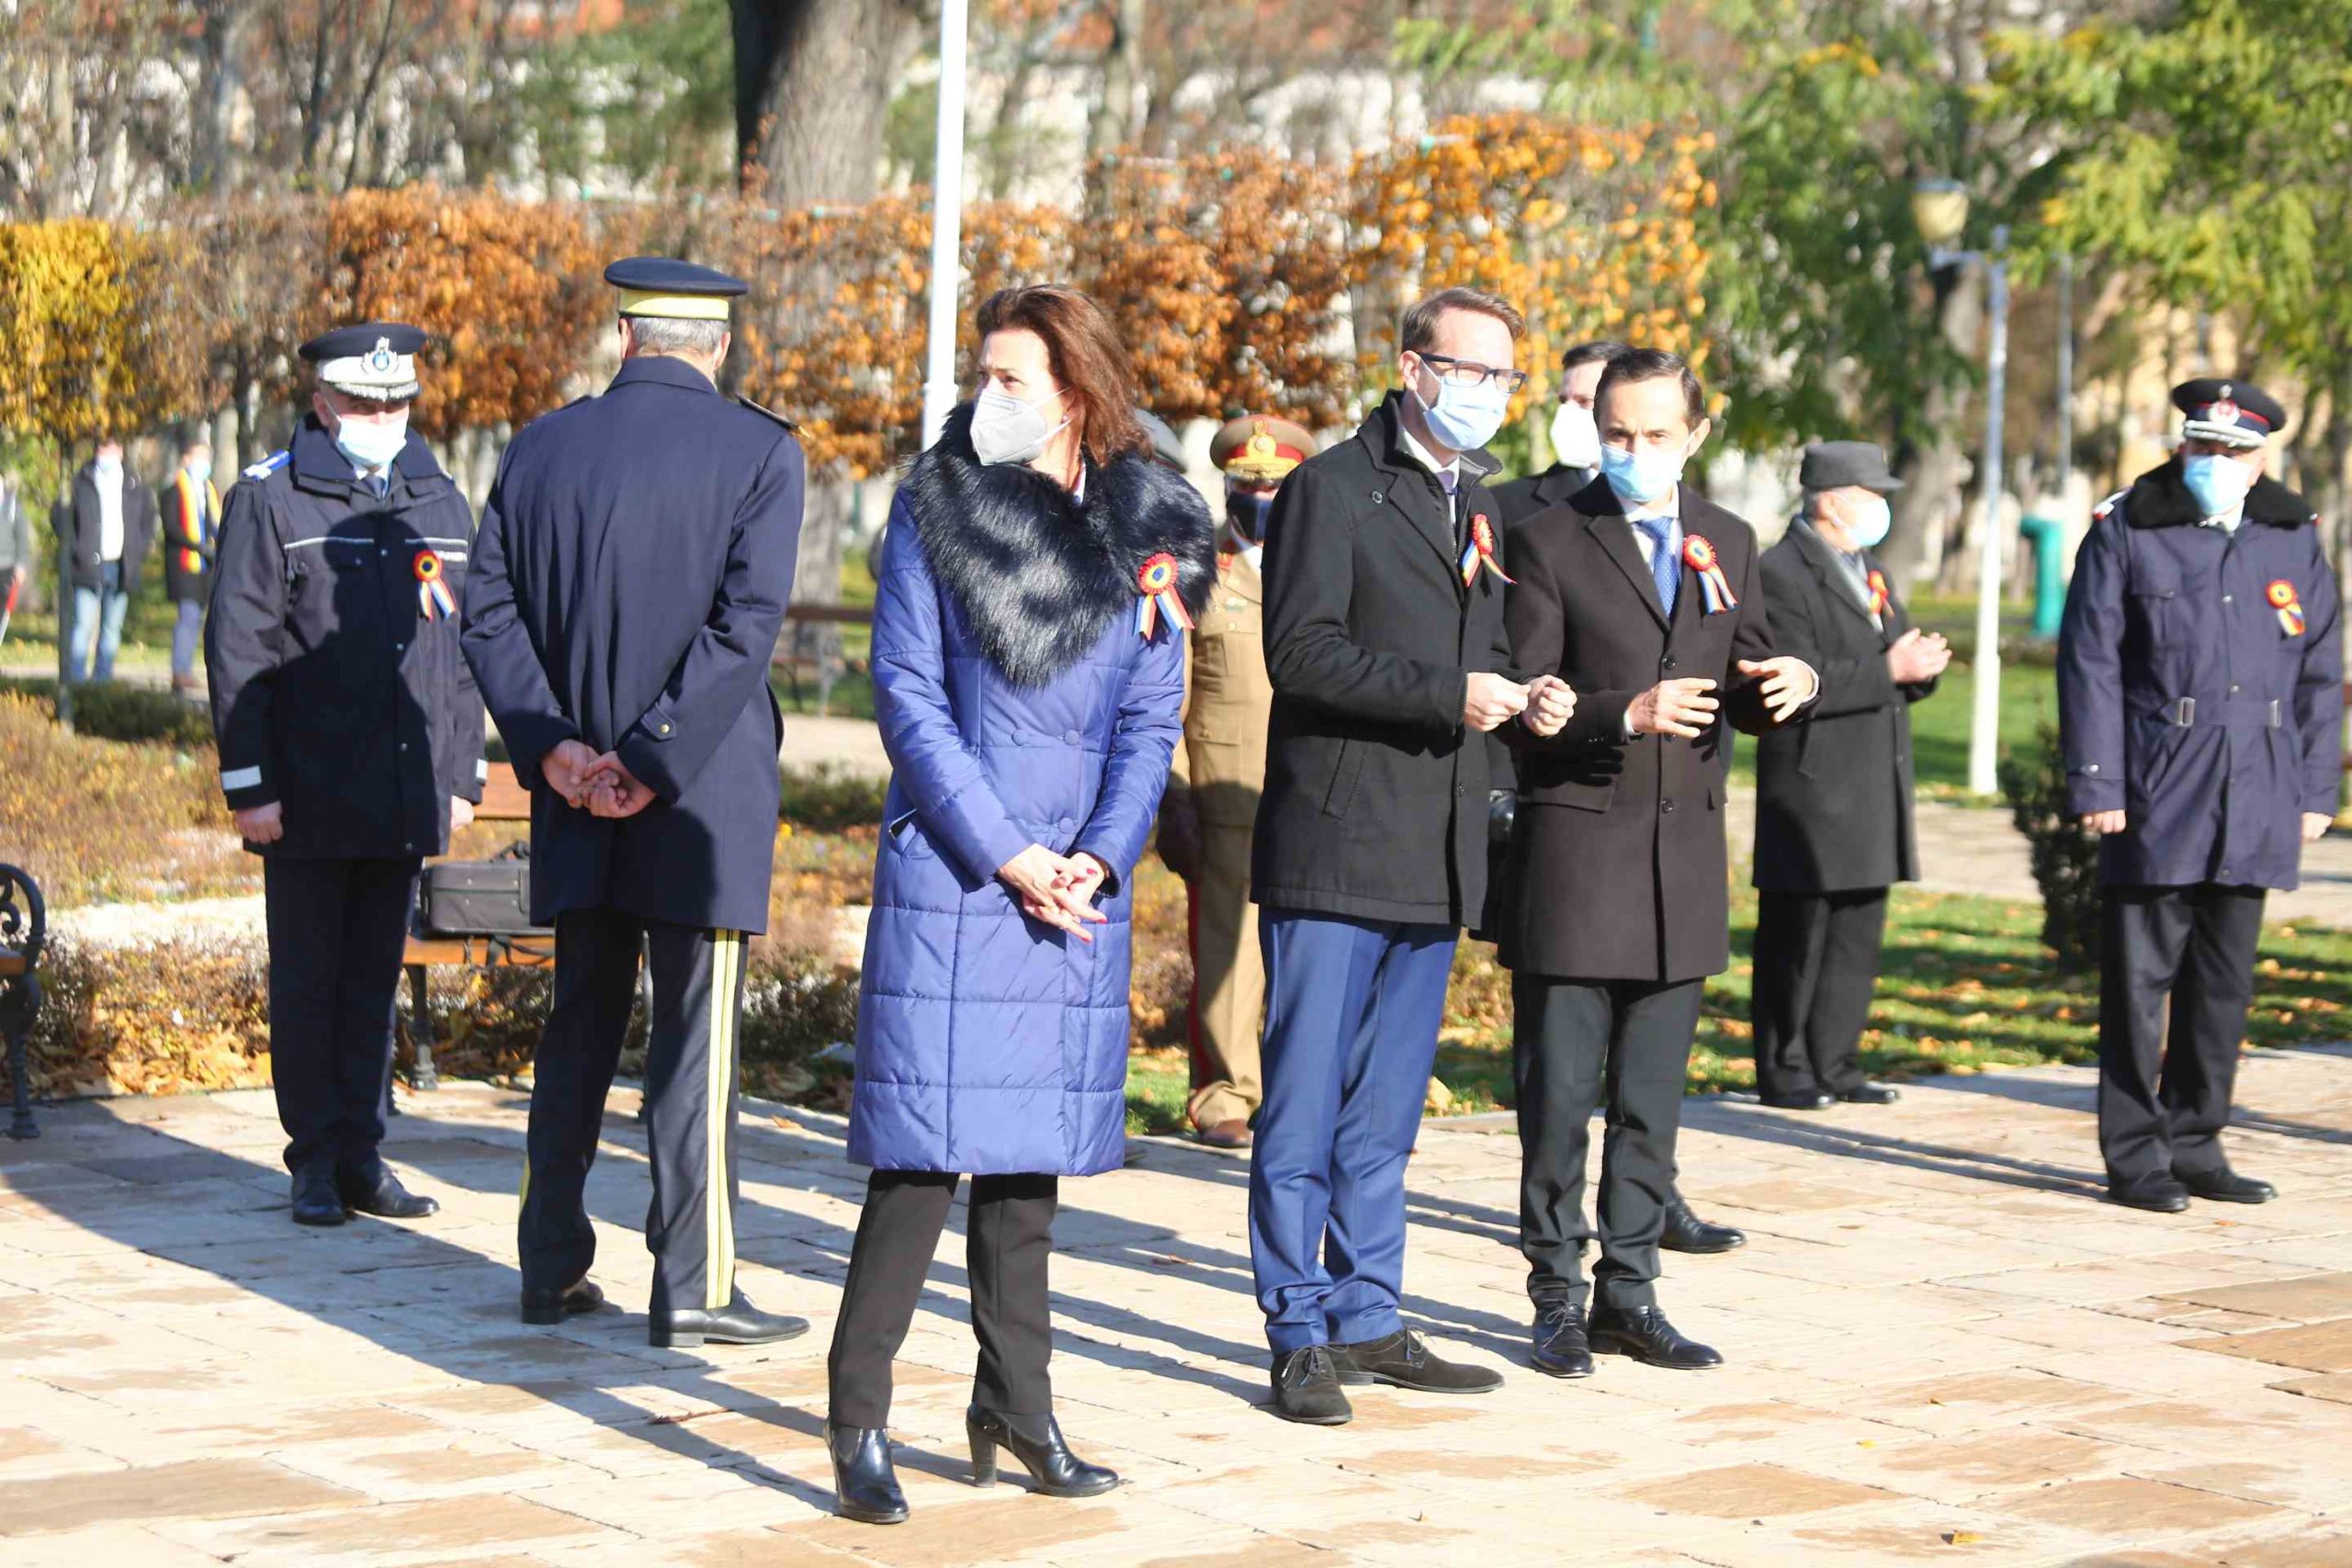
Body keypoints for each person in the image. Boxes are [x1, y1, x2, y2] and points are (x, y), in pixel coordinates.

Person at [825, 284, 1210, 1524]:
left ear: (1078, 396)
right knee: (921, 1162)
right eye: (979, 375)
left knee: (1027, 1166)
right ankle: (859, 1419)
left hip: (1073, 893)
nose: (981, 398)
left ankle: (1018, 1405)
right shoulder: (936, 511)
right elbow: (908, 695)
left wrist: (1099, 852)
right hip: (959, 875)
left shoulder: (1152, 526)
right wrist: (1007, 851)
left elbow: (1152, 720)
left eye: (1010, 380)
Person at [461, 258, 809, 1345]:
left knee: (579, 1027)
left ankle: (549, 1264)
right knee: (694, 1043)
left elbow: (488, 613)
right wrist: (650, 762)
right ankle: (697, 1286)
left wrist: (556, 750)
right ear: (716, 348)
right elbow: (742, 633)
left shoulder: (541, 445)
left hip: (574, 787)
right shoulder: (761, 450)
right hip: (696, 798)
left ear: (626, 338)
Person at [1249, 286, 1577, 1426]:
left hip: (1434, 851)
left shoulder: (1469, 503)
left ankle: (1367, 1314)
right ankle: (1294, 1327)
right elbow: (1300, 651)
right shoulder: (1330, 488)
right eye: (1467, 369)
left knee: (1385, 1111)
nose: (1484, 393)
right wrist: (1453, 694)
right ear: (1409, 365)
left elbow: (1478, 646)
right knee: (1300, 1103)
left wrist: (1524, 696)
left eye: (1502, 377)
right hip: (1334, 840)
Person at [1499, 347, 1817, 1378]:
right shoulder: (1546, 538)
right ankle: (1553, 1292)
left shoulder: (1726, 537)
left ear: (1696, 433)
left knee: (1651, 1097)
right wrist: (1616, 713)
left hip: (1680, 861)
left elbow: (1748, 667)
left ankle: (1627, 1292)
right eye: (1616, 435)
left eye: (1655, 436)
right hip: (1578, 852)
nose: (1634, 453)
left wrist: (1790, 680)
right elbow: (1523, 699)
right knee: (1558, 1096)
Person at [206, 321, 484, 1228]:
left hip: (404, 789)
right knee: (311, 984)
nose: (381, 416)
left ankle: (364, 1153)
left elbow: (462, 646)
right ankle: (314, 1160)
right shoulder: (273, 499)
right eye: (364, 403)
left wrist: (463, 770)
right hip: (310, 792)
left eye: (395, 402)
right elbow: (239, 648)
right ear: (323, 403)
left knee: (371, 986)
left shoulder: (436, 496)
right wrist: (251, 784)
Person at [2058, 378, 2342, 1214]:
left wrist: (2316, 786)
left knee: (2223, 983)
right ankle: (2135, 1154)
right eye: (2202, 446)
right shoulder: (2129, 529)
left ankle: (2198, 1139)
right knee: (2140, 981)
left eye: (2233, 451)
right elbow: (2091, 662)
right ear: (2181, 446)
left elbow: (2321, 669)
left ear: (2261, 460)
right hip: (2157, 780)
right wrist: (2098, 780)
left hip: (2258, 782)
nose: (2215, 462)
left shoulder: (2293, 537)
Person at [1749, 442, 1949, 1109]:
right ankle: (1785, 1065)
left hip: (1872, 779)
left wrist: (1920, 666)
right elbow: (1794, 680)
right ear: (1831, 499)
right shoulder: (1782, 571)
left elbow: (1891, 658)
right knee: (1799, 936)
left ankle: (1837, 1060)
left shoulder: (1872, 570)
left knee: (1856, 933)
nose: (1883, 508)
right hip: (1812, 782)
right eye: (1873, 495)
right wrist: (1890, 671)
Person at [1158, 412, 1314, 1149]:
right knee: (1230, 947)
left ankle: (1302, 1090)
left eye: (1275, 487)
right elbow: (1169, 696)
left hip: (1312, 793)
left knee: (1311, 953)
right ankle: (1225, 1092)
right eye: (1246, 485)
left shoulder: (1321, 568)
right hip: (1226, 789)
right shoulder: (1195, 574)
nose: (1259, 498)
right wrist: (1177, 794)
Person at [1489, 339, 1625, 528]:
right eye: (1563, 400)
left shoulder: (1673, 505)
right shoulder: (1506, 504)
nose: (1567, 412)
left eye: (1584, 401)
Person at [64, 435, 156, 682]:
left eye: (113, 447)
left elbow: (148, 520)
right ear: (96, 449)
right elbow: (64, 519)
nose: (108, 453)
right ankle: (76, 681)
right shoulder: (81, 481)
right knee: (82, 626)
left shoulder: (134, 483)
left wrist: (139, 550)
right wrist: (77, 549)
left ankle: (102, 682)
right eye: (103, 447)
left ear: (121, 450)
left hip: (121, 565)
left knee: (111, 628)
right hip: (88, 564)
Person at [164, 438, 222, 698]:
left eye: (207, 459)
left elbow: (214, 523)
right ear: (186, 459)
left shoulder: (208, 490)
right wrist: (199, 546)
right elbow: (172, 528)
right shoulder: (173, 490)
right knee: (187, 619)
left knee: (202, 620)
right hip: (184, 565)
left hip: (206, 567)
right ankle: (180, 671)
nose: (204, 464)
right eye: (199, 458)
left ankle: (194, 669)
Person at [0, 472, 28, 649]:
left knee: (3, 606)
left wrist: (21, 564)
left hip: (6, 566)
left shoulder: (13, 508)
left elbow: (22, 538)